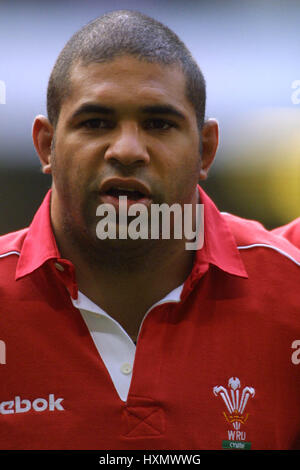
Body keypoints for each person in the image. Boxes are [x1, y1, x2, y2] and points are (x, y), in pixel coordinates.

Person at [0, 10, 300, 451]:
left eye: (159, 123)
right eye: (95, 122)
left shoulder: (290, 292)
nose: (126, 150)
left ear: (206, 150)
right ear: (46, 145)